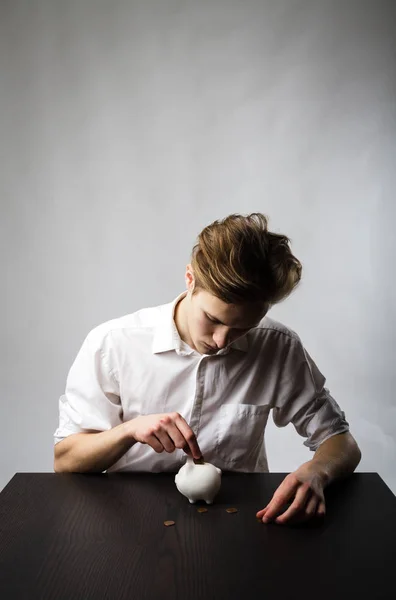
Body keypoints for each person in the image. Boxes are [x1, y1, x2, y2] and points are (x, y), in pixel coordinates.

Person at [54, 213, 361, 525]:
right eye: (213, 319)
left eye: (243, 328)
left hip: (242, 517)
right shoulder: (113, 343)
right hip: (129, 519)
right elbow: (66, 459)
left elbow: (342, 443)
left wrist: (318, 471)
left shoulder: (278, 346)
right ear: (190, 280)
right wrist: (128, 431)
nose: (221, 340)